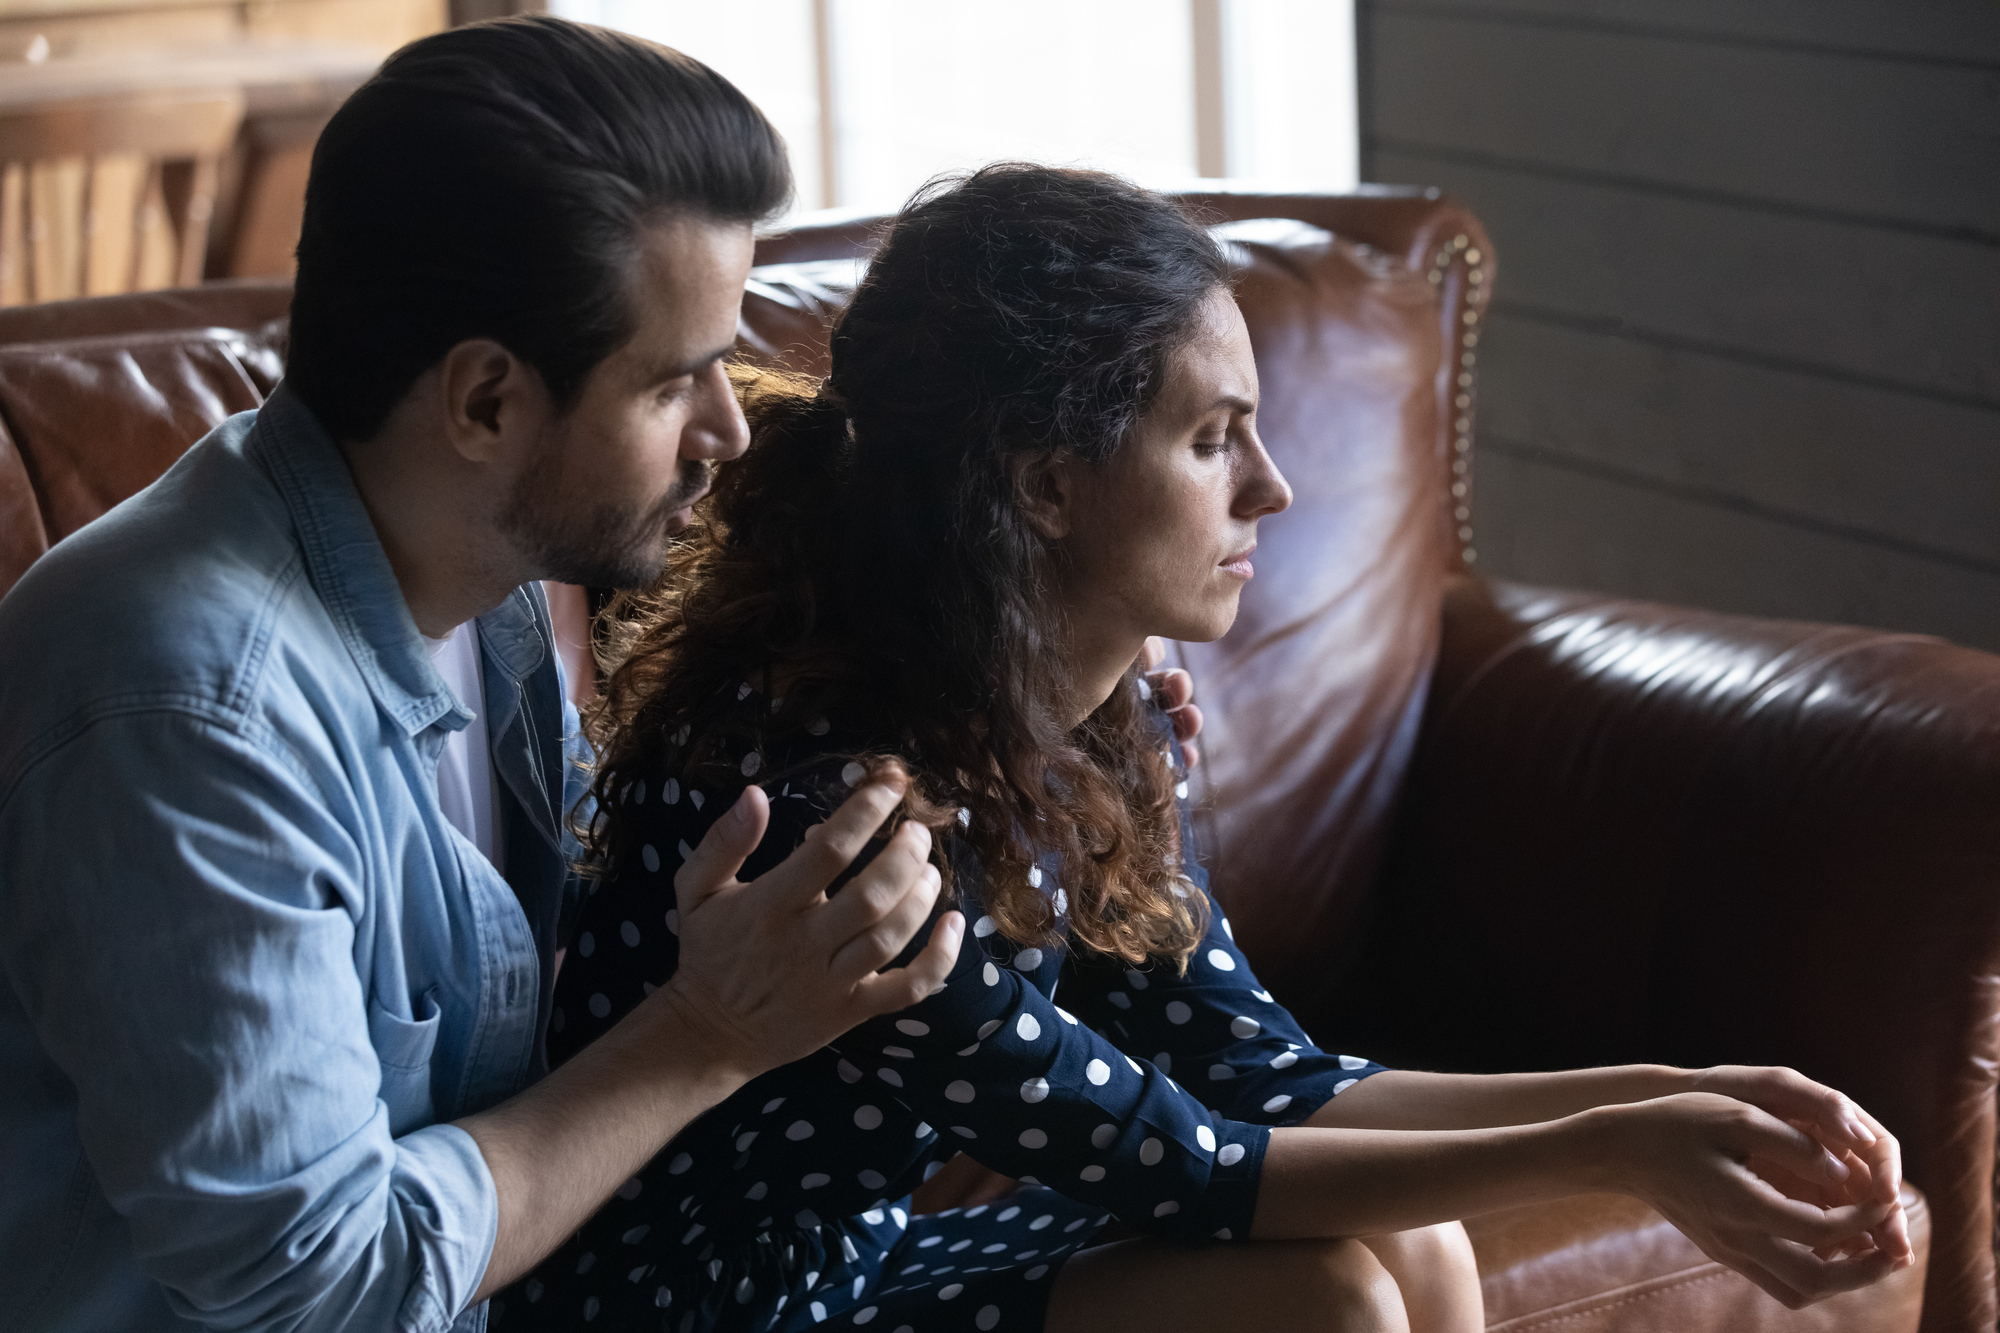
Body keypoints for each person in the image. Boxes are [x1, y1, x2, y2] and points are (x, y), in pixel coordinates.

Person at [512, 164, 1916, 1333]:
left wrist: (1682, 1093)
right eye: (1212, 440)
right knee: (1336, 1300)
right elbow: (1184, 1161)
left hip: (861, 1272)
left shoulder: (1088, 726)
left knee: (1408, 1245)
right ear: (1049, 484)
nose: (1274, 487)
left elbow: (1282, 1079)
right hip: (708, 1317)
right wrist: (1627, 1147)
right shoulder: (846, 815)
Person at [0, 19, 971, 1332]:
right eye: (677, 381)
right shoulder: (188, 712)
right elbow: (324, 1288)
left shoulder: (477, 570)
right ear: (484, 403)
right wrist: (709, 1029)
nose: (729, 431)